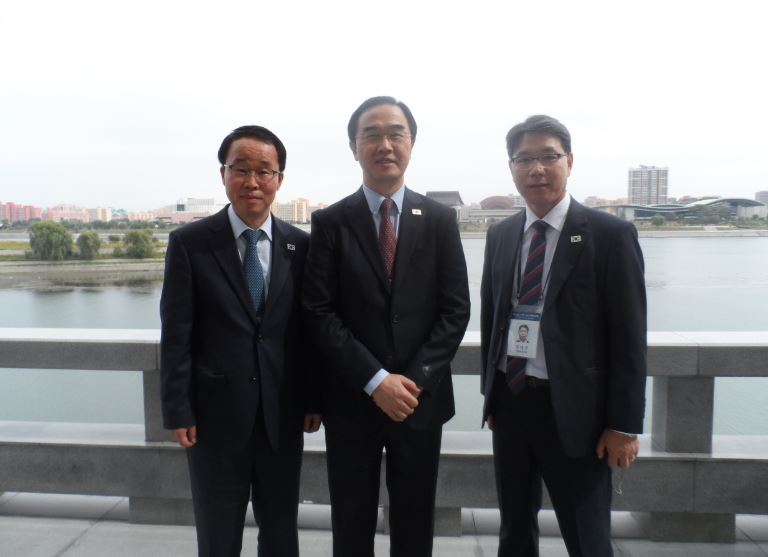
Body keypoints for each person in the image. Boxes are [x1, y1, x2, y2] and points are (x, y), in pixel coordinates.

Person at [302, 96, 471, 557]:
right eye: (371, 134)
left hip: (419, 401)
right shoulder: (331, 222)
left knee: (415, 520)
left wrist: (411, 382)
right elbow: (319, 311)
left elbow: (455, 310)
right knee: (351, 520)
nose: (385, 145)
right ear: (354, 147)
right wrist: (376, 381)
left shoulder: (439, 220)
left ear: (411, 143)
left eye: (396, 133)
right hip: (352, 400)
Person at [480, 115, 647, 557]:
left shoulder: (610, 236)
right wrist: (492, 396)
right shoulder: (501, 235)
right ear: (512, 168)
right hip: (513, 403)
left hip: (577, 412)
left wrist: (623, 425)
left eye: (548, 156)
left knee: (586, 534)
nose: (536, 169)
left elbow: (629, 337)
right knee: (514, 528)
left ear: (569, 162)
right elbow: (493, 316)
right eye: (524, 159)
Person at [160, 125, 321, 557]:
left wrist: (312, 399)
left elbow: (308, 333)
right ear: (223, 174)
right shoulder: (190, 244)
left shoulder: (301, 246)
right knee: (218, 533)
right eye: (241, 169)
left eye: (264, 171)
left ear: (279, 179)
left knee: (281, 531)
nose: (252, 181)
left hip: (281, 416)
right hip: (213, 418)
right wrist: (178, 408)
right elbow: (176, 334)